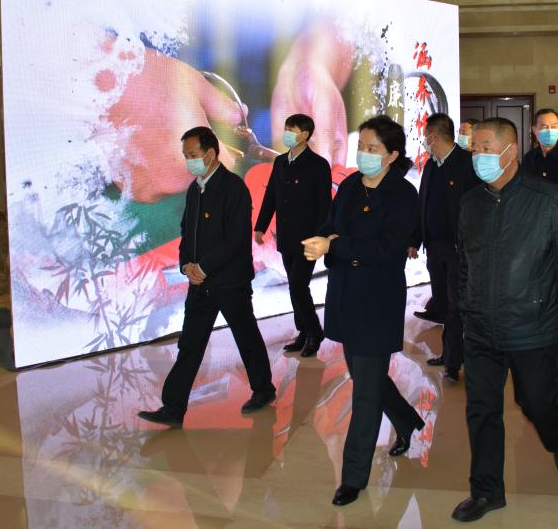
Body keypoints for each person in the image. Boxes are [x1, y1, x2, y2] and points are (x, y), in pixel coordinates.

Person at [451, 117, 558, 523]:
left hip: (532, 325)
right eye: (474, 149)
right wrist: (465, 307)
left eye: (486, 148)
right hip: (480, 328)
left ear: (510, 151)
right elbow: (465, 263)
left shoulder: (548, 198)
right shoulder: (471, 203)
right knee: (481, 410)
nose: (477, 155)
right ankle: (486, 492)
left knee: (536, 402)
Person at [302, 115, 425, 507]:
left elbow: (386, 248)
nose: (364, 154)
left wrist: (336, 246)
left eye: (373, 149)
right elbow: (331, 223)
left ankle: (353, 477)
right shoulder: (352, 185)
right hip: (345, 295)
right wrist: (321, 239)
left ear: (391, 155)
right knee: (365, 376)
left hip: (377, 300)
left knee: (365, 394)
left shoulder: (403, 195)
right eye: (362, 147)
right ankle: (408, 420)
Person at [138, 127, 277, 428]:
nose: (188, 161)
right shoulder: (194, 189)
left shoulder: (234, 188)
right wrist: (186, 265)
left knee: (246, 337)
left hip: (230, 282)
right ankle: (173, 407)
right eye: (186, 155)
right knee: (190, 345)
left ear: (211, 153)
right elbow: (187, 232)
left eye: (192, 155)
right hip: (200, 285)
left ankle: (263, 390)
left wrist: (203, 268)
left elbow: (235, 239)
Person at [254, 113, 333, 357]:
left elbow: (324, 205)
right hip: (286, 235)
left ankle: (314, 332)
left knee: (299, 286)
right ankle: (304, 331)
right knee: (294, 286)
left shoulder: (318, 165)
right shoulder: (280, 162)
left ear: (305, 134)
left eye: (292, 129)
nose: (286, 132)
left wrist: (321, 237)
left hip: (309, 238)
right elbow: (271, 196)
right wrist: (260, 226)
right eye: (286, 127)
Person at [412, 113, 482, 381]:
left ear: (434, 136)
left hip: (458, 250)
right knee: (442, 303)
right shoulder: (431, 165)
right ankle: (451, 352)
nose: (424, 140)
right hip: (435, 248)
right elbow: (423, 204)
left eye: (426, 135)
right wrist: (416, 241)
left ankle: (453, 362)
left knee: (455, 306)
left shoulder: (467, 163)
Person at [521, 108, 558, 189]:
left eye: (554, 126)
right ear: (534, 130)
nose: (550, 131)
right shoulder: (528, 158)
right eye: (544, 127)